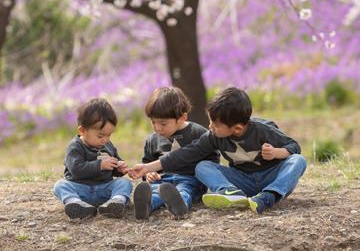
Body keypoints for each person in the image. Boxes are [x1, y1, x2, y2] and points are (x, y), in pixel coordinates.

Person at [129, 86, 307, 214]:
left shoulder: (263, 129)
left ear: (236, 128)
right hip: (242, 181)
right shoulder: (214, 136)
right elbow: (187, 153)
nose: (210, 127)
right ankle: (230, 192)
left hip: (270, 176)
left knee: (298, 160)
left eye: (215, 124)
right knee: (202, 166)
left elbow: (294, 147)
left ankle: (269, 196)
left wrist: (277, 153)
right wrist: (147, 168)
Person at [132, 86, 220, 220]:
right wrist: (149, 175)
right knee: (155, 192)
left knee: (184, 191)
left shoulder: (197, 133)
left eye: (163, 123)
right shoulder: (152, 139)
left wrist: (203, 179)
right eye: (153, 122)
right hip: (162, 181)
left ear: (182, 118)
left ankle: (180, 206)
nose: (157, 128)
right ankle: (146, 206)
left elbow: (212, 157)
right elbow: (147, 163)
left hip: (190, 180)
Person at [53, 98, 132, 220]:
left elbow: (114, 165)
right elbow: (76, 169)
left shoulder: (108, 146)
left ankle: (115, 203)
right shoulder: (75, 147)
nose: (105, 140)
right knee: (60, 185)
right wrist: (100, 165)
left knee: (124, 183)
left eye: (109, 135)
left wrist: (119, 168)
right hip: (81, 190)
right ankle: (76, 204)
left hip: (104, 189)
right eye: (100, 136)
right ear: (83, 131)